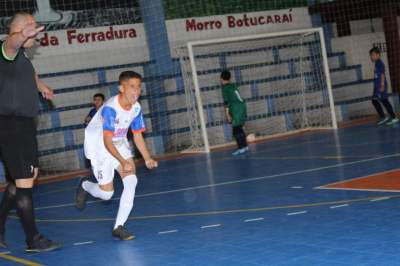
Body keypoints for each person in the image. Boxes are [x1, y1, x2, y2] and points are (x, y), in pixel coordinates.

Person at [0, 12, 61, 252]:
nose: (35, 30)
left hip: (24, 125)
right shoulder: (7, 50)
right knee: (25, 182)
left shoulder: (22, 56)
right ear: (22, 29)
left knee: (21, 181)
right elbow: (10, 44)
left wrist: (41, 86)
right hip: (11, 124)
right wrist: (19, 35)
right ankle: (33, 239)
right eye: (31, 27)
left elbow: (30, 73)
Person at [75, 71, 158, 240]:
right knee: (106, 194)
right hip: (99, 145)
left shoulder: (136, 108)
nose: (136, 91)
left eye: (139, 87)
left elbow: (137, 135)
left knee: (131, 180)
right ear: (121, 88)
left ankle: (118, 227)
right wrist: (121, 161)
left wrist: (147, 158)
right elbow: (106, 141)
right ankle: (85, 185)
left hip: (118, 142)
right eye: (132, 87)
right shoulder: (111, 109)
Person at [221, 70, 249, 155]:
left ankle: (241, 148)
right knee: (239, 127)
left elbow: (226, 103)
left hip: (236, 108)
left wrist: (227, 114)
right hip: (242, 106)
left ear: (221, 78)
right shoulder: (233, 85)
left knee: (236, 129)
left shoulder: (225, 88)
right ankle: (245, 146)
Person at [369, 47, 399, 125]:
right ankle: (388, 117)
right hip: (377, 87)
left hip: (380, 86)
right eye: (371, 55)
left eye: (373, 55)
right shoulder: (377, 63)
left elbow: (382, 74)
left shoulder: (379, 63)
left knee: (378, 101)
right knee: (381, 101)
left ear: (378, 55)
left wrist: (382, 85)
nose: (371, 57)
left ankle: (391, 117)